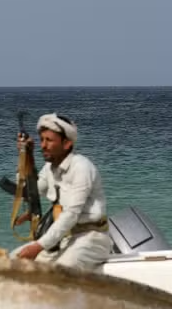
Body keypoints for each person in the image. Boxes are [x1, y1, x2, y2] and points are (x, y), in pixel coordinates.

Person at [13, 113, 114, 270]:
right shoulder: (49, 168)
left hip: (92, 239)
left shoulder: (81, 167)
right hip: (63, 239)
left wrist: (39, 246)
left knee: (60, 272)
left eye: (49, 140)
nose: (43, 145)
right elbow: (29, 193)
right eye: (41, 140)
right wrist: (26, 156)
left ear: (66, 144)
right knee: (11, 261)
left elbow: (71, 214)